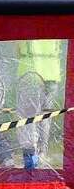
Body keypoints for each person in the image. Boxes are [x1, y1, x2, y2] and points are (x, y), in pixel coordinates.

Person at [16, 39, 64, 169]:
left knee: (28, 118)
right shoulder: (55, 20)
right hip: (52, 74)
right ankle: (42, 155)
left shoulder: (26, 20)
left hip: (31, 71)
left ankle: (31, 158)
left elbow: (18, 50)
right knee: (45, 118)